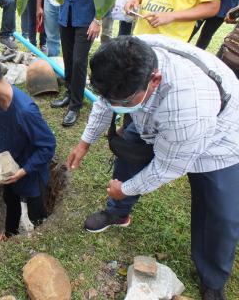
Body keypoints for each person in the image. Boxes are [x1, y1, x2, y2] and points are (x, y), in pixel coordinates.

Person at [67, 35, 239, 300]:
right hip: (153, 112)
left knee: (218, 213)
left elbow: (167, 168)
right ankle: (118, 213)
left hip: (219, 139)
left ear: (154, 80)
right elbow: (105, 101)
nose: (115, 106)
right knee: (129, 153)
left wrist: (125, 189)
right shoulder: (127, 56)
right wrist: (84, 142)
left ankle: (212, 278)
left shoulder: (188, 109)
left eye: (122, 103)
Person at [0, 56, 56, 239]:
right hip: (9, 165)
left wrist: (24, 171)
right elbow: (1, 128)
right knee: (10, 199)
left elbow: (47, 146)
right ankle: (10, 233)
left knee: (36, 210)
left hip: (31, 170)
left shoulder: (26, 111)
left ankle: (41, 237)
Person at [50, 0, 101, 127]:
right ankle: (70, 93)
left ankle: (75, 105)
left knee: (79, 60)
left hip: (86, 14)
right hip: (67, 11)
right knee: (69, 58)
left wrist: (99, 18)